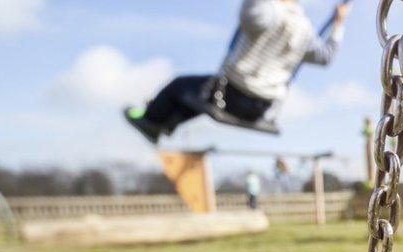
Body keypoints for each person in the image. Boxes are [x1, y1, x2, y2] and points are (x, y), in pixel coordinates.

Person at [124, 0, 351, 144]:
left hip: (231, 93)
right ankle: (166, 123)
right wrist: (338, 23)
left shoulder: (267, 12)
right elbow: (325, 56)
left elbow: (250, 14)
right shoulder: (305, 30)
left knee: (178, 87)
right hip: (262, 107)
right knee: (195, 99)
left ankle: (150, 121)